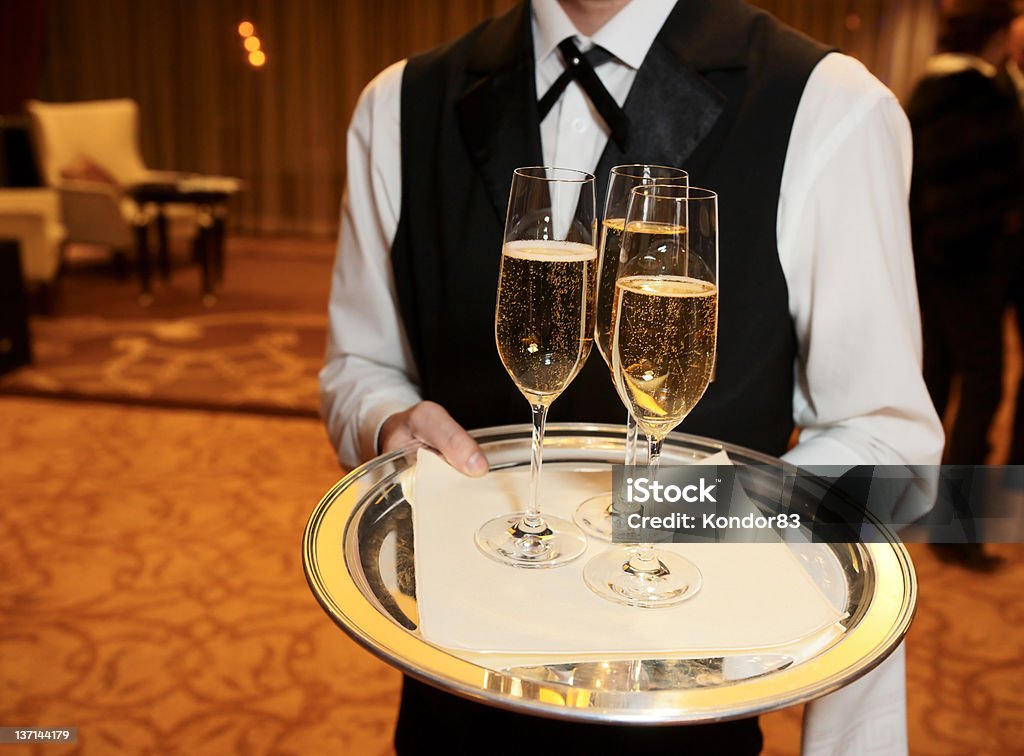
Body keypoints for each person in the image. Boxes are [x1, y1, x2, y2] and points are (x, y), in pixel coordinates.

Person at [320, 0, 944, 752]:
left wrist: (674, 513)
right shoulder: (397, 103)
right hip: (449, 712)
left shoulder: (829, 103)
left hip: (684, 722)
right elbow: (359, 364)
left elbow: (890, 452)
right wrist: (387, 421)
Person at [906, 0, 1023, 569]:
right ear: (997, 34)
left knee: (938, 379)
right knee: (982, 388)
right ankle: (956, 531)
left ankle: (922, 504)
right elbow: (962, 188)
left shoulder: (941, 86)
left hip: (939, 264)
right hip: (968, 265)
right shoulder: (972, 94)